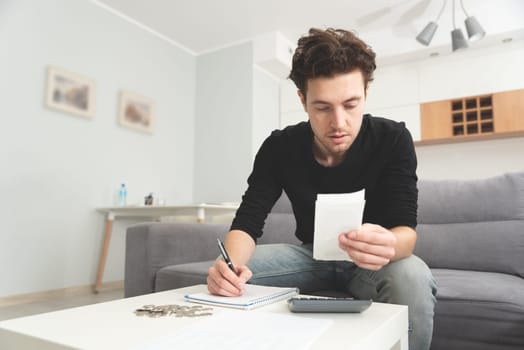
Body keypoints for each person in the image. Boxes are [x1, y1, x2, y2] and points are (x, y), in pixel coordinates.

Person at [207, 27, 437, 350]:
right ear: (302, 100)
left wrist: (388, 244)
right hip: (308, 255)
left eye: (351, 104)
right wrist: (228, 268)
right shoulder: (279, 148)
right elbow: (247, 222)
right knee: (230, 279)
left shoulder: (393, 139)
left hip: (373, 263)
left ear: (366, 94)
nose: (339, 122)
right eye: (323, 107)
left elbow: (406, 233)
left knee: (412, 276)